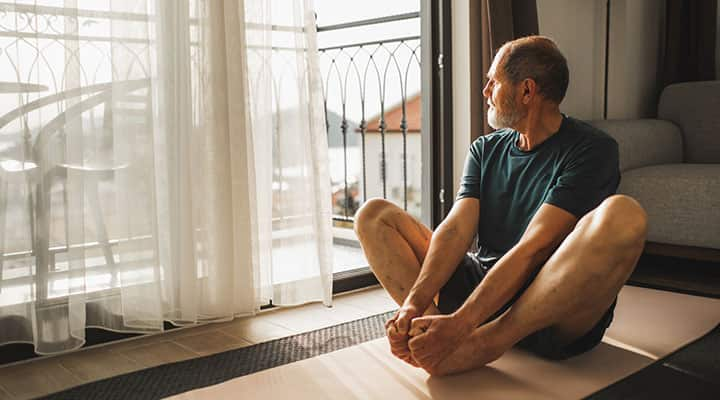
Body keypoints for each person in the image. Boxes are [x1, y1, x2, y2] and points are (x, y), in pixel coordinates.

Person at [353, 36, 647, 377]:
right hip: (484, 287)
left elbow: (534, 249)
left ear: (526, 91)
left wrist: (463, 324)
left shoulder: (592, 149)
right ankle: (431, 332)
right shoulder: (485, 149)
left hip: (552, 307)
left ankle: (483, 343)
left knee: (624, 215)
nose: (485, 90)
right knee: (373, 215)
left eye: (493, 81)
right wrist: (416, 305)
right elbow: (455, 230)